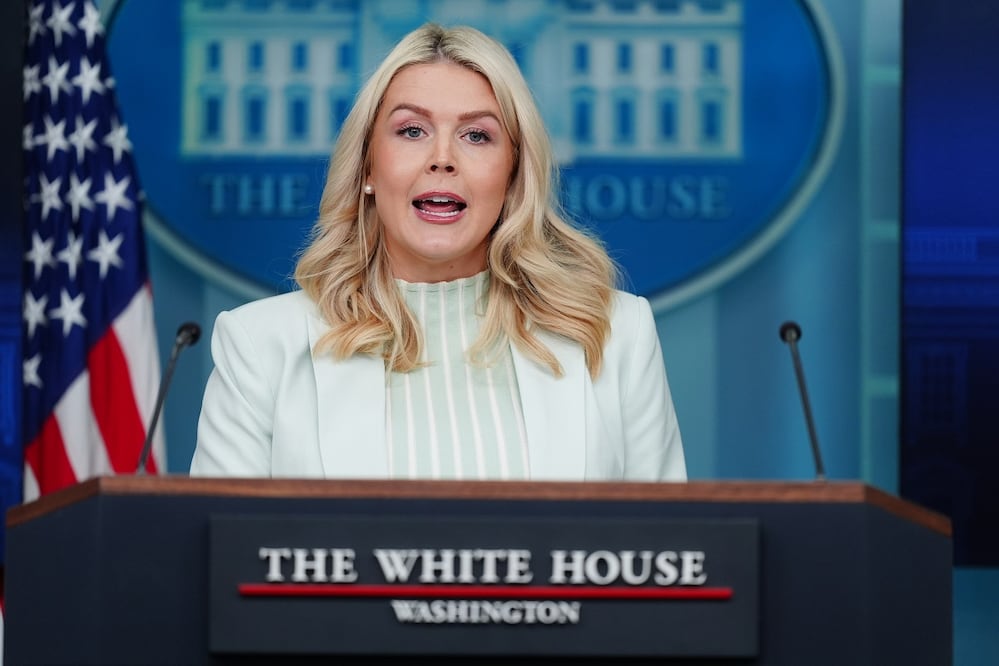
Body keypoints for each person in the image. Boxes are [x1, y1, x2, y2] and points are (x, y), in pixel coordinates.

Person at [190, 23, 685, 481]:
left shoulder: (617, 335)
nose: (442, 159)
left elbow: (671, 553)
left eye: (477, 135)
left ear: (513, 175)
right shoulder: (259, 347)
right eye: (411, 131)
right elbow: (218, 564)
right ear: (366, 167)